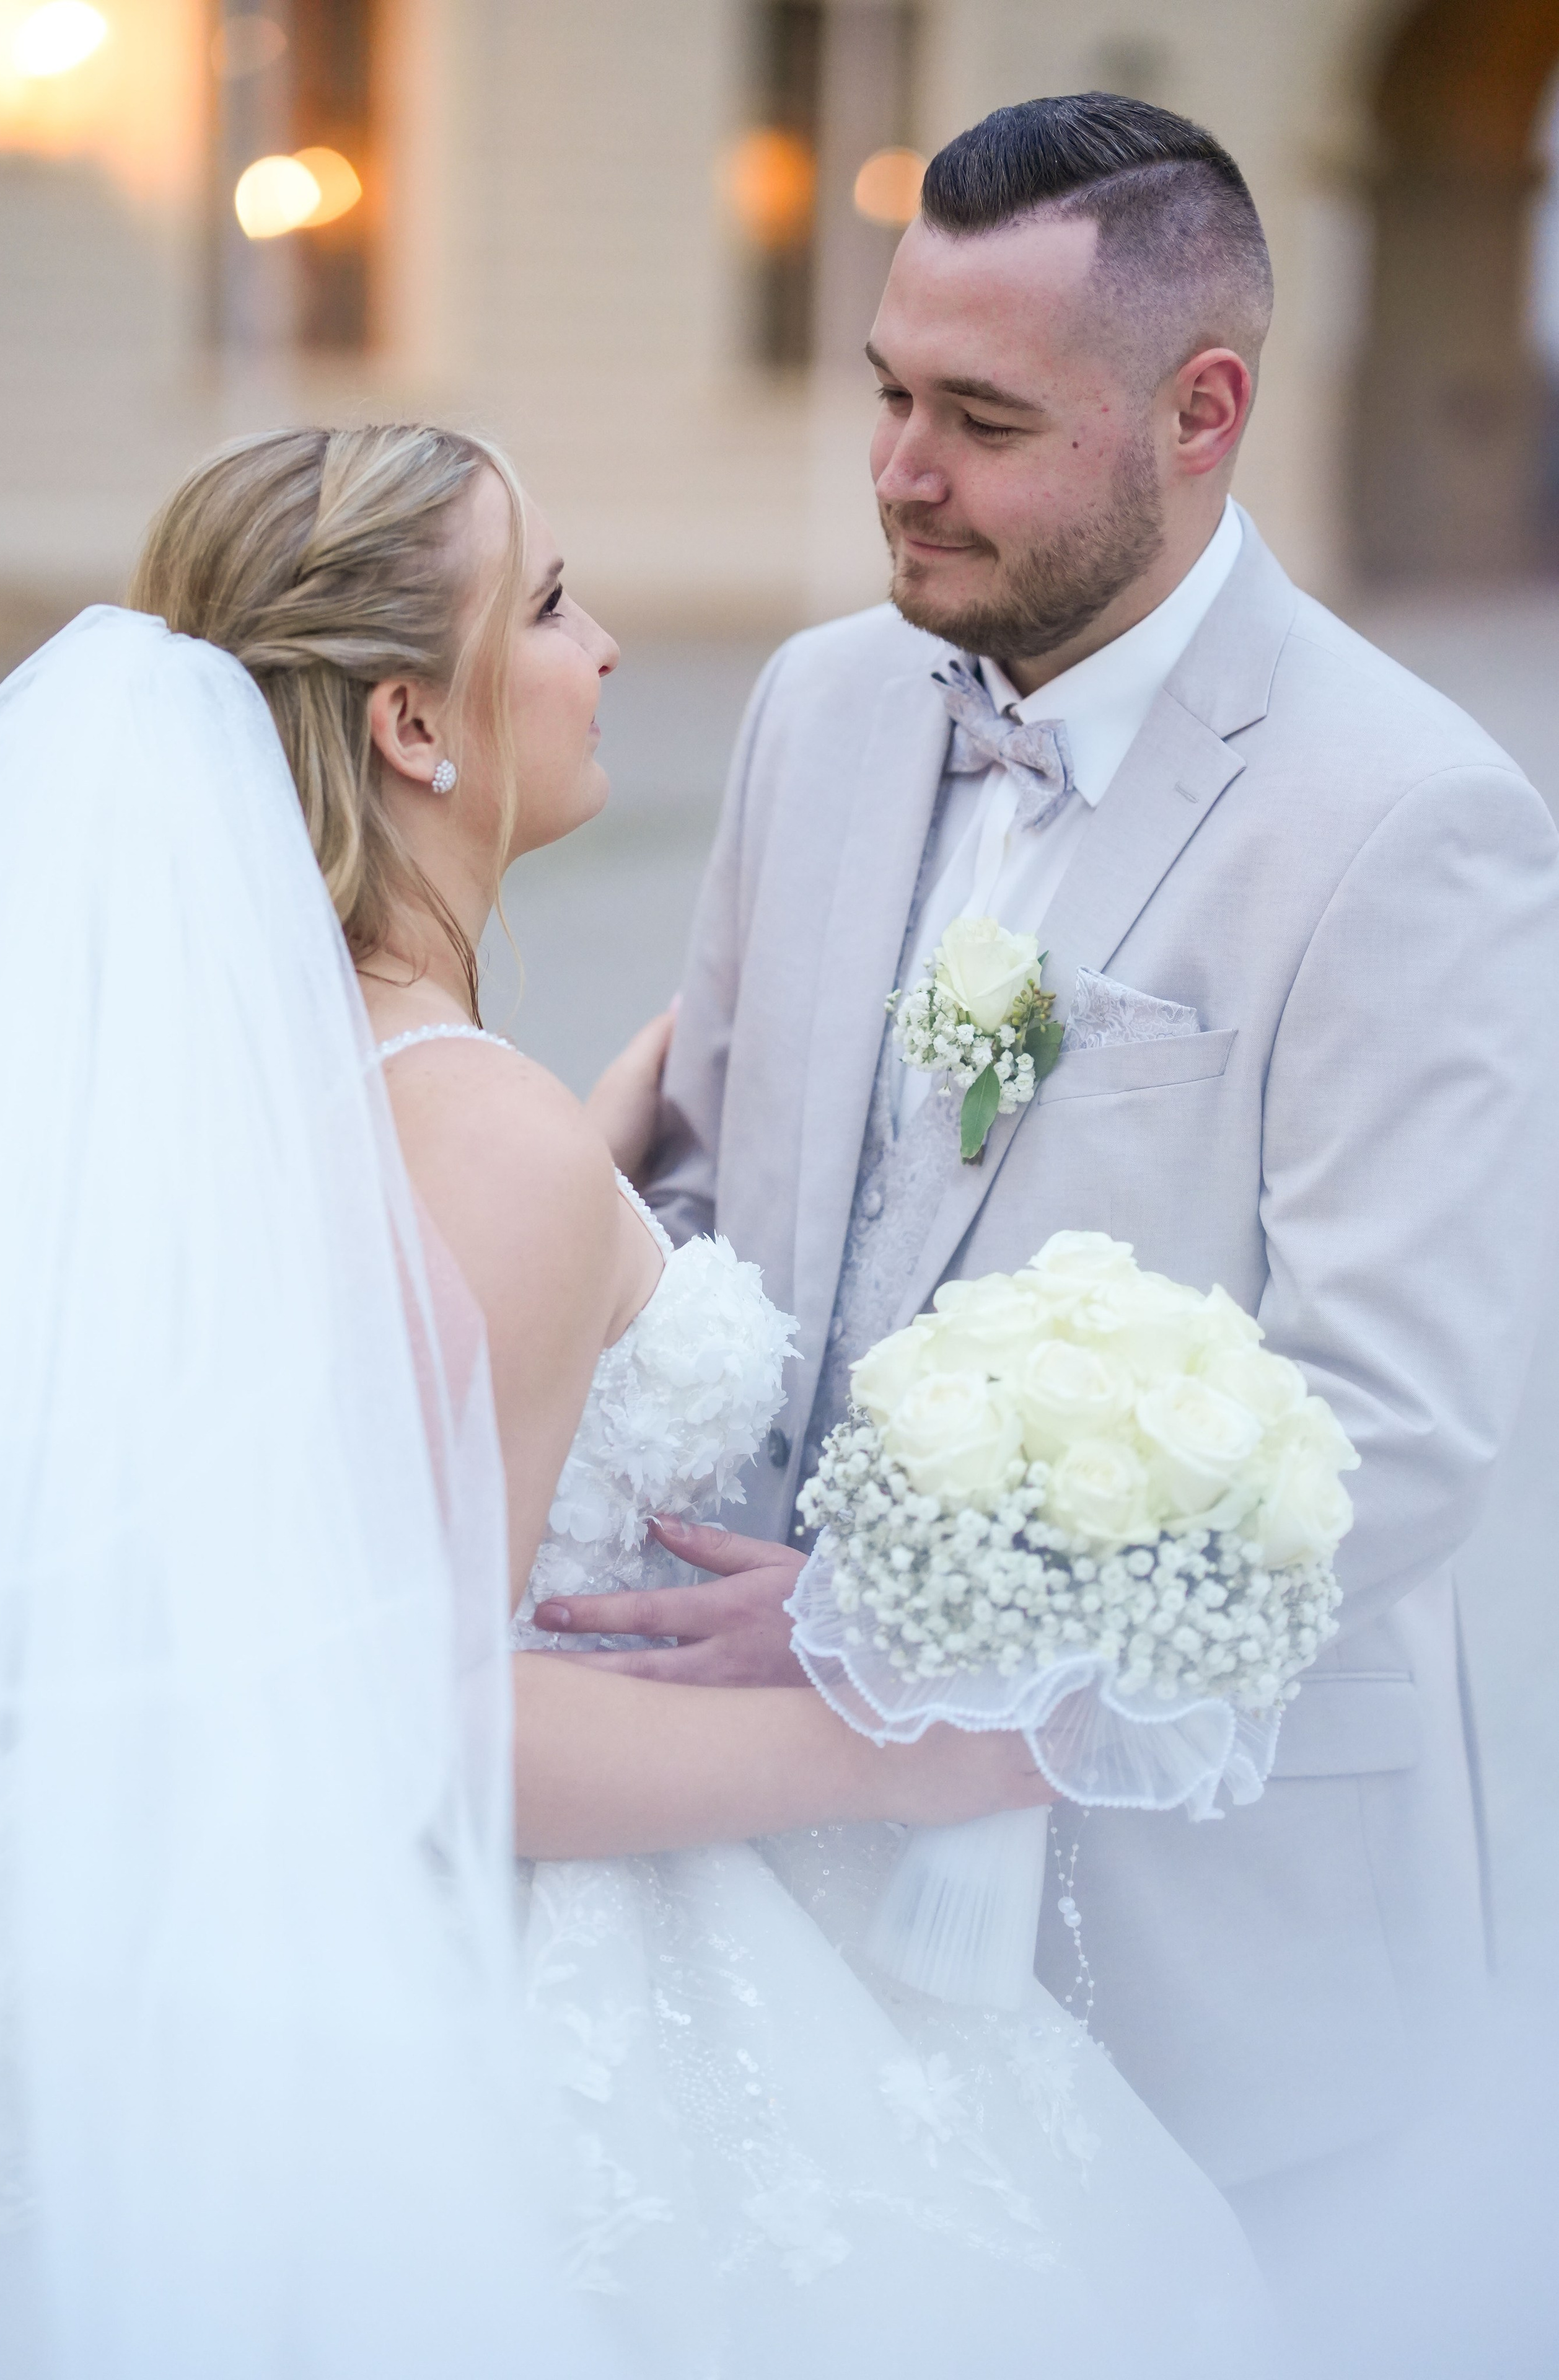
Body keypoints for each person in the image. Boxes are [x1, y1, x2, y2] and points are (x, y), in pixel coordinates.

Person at [0, 420, 1276, 2377]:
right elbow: (433, 1725)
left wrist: (589, 1158)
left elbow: (401, 1329)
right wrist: (914, 1747)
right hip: (574, 2004)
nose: (606, 654)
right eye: (557, 606)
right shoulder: (473, 1137)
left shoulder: (310, 1077)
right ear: (418, 725)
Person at [545, 92, 1559, 2280]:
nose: (902, 471)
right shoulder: (817, 707)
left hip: (1220, 1943)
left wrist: (880, 1647)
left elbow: (1396, 1433)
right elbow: (718, 1204)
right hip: (797, 1920)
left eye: (985, 421)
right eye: (889, 395)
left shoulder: (1413, 819)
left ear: (1204, 414)